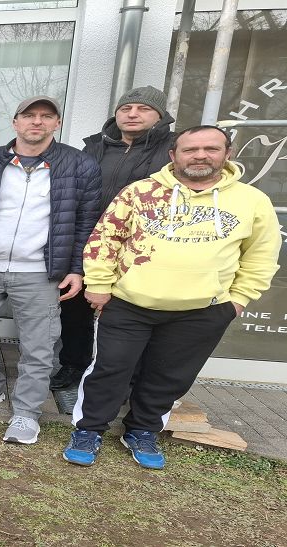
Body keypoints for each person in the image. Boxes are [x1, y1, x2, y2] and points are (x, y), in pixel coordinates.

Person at [63, 125, 281, 469]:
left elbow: (261, 257)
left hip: (203, 310)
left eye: (211, 149)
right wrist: (100, 286)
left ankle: (142, 430)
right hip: (129, 304)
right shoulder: (139, 192)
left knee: (169, 376)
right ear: (173, 155)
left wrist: (237, 301)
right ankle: (89, 429)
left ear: (227, 154)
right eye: (190, 149)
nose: (200, 156)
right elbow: (106, 239)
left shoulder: (251, 201)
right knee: (110, 369)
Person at [0, 96, 100, 445]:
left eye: (46, 116)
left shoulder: (79, 165)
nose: (37, 122)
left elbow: (86, 223)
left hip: (41, 271)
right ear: (15, 123)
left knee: (38, 346)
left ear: (57, 123)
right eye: (29, 115)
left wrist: (77, 268)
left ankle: (27, 412)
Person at [51, 85, 177, 391]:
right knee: (75, 310)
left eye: (143, 109)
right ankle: (73, 364)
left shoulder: (172, 151)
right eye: (125, 109)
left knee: (129, 316)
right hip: (90, 242)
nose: (132, 114)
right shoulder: (94, 147)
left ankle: (129, 378)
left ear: (160, 116)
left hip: (141, 248)